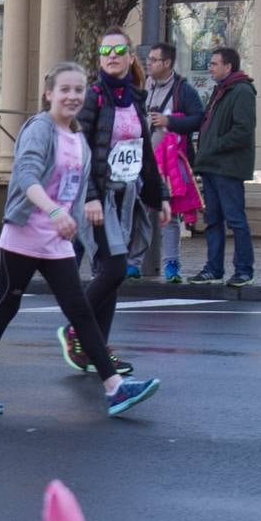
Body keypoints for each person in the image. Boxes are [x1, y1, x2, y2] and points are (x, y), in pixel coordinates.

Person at [0, 62, 161, 419]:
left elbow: (74, 194)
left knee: (79, 310)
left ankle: (114, 388)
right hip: (24, 235)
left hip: (56, 240)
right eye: (64, 89)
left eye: (78, 90)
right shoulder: (40, 129)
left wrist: (76, 224)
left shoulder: (77, 137)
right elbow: (26, 177)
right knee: (6, 306)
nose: (72, 96)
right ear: (49, 93)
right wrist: (53, 212)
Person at [62, 27, 169, 377]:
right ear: (99, 58)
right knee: (115, 267)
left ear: (129, 57)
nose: (112, 56)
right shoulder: (93, 97)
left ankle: (95, 351)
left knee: (112, 272)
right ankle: (76, 331)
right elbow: (81, 150)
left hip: (127, 195)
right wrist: (90, 197)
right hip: (97, 196)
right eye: (105, 51)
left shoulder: (135, 96)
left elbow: (144, 152)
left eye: (119, 50)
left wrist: (160, 197)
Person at [188, 47, 257, 288]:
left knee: (235, 219)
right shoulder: (221, 91)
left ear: (228, 67)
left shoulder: (241, 91)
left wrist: (213, 146)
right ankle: (214, 268)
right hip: (211, 166)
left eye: (214, 64)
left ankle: (244, 270)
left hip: (227, 167)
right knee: (213, 220)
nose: (210, 67)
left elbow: (242, 131)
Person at [136, 42, 204, 283]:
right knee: (140, 210)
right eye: (149, 59)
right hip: (141, 160)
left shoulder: (183, 90)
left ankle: (171, 265)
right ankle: (133, 263)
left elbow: (198, 119)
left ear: (166, 63)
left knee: (170, 214)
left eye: (154, 59)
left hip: (170, 162)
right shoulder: (142, 85)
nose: (149, 63)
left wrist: (169, 121)